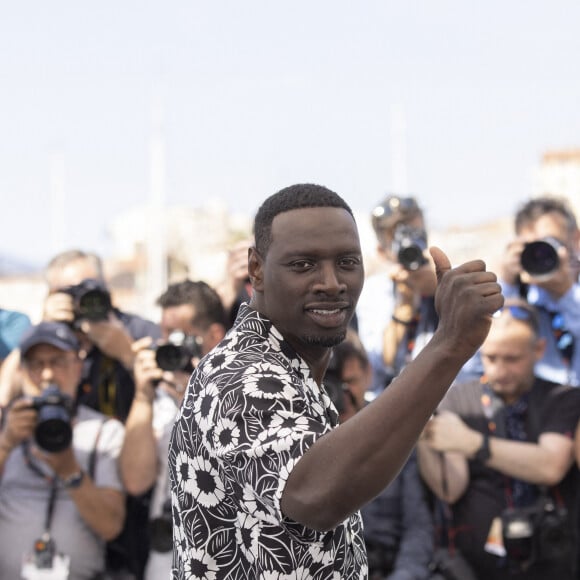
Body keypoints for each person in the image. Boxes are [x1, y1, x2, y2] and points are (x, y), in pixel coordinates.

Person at [168, 183, 503, 579]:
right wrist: (448, 345)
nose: (331, 282)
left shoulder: (288, 367)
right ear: (256, 270)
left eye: (347, 262)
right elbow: (315, 497)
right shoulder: (243, 375)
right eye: (303, 265)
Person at [417, 299, 580, 579]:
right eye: (490, 358)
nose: (499, 370)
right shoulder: (457, 399)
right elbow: (450, 488)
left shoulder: (562, 398)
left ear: (539, 350)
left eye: (512, 359)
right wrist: (421, 432)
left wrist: (472, 443)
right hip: (479, 565)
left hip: (553, 560)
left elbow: (550, 466)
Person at [40, 249, 160, 579]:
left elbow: (173, 396)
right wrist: (46, 326)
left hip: (137, 498)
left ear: (106, 287)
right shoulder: (48, 340)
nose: (81, 300)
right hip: (68, 496)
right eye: (67, 293)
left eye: (88, 288)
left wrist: (124, 351)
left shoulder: (138, 329)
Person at [119, 279, 228, 580]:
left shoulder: (238, 394)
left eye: (178, 336)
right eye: (163, 334)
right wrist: (143, 395)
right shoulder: (158, 397)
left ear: (214, 336)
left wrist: (196, 398)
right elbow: (135, 481)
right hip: (164, 563)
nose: (166, 345)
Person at [0, 321, 126, 579]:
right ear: (22, 373)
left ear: (78, 367)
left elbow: (111, 526)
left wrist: (71, 471)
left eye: (57, 361)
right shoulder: (7, 424)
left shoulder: (104, 431)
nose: (47, 375)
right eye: (36, 364)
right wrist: (6, 443)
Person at [327, 332, 434, 579]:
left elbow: (418, 528)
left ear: (368, 374)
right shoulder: (300, 437)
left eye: (350, 383)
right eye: (331, 385)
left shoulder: (394, 436)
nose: (342, 396)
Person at [356, 195, 439, 397]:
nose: (410, 244)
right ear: (382, 251)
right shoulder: (371, 293)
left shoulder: (447, 278)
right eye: (399, 238)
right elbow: (376, 369)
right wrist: (404, 307)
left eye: (416, 234)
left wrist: (440, 290)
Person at [498, 195, 580, 387]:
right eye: (532, 247)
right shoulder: (518, 295)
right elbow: (486, 354)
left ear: (575, 238)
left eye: (550, 243)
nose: (541, 253)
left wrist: (565, 293)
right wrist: (507, 283)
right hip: (539, 410)